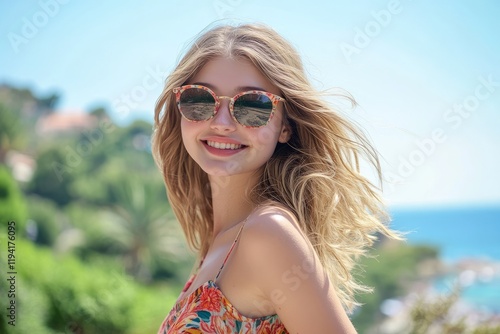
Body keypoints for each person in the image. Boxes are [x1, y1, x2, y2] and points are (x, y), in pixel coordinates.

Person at [152, 23, 400, 334]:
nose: (223, 123)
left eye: (253, 105)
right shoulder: (222, 241)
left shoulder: (267, 233)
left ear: (286, 125)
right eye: (199, 100)